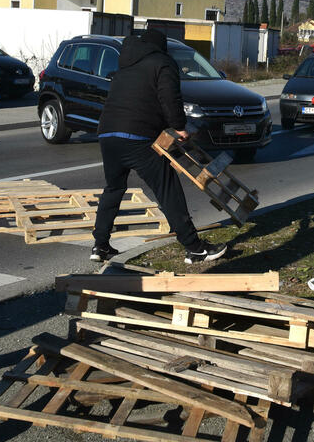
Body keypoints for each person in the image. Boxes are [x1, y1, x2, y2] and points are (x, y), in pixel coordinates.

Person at [91, 29, 226, 265]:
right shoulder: (163, 62)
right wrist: (179, 127)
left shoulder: (125, 66)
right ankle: (195, 249)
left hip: (108, 134)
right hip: (137, 136)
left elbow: (137, 99)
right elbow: (169, 97)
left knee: (113, 188)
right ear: (161, 47)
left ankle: (100, 245)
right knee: (167, 188)